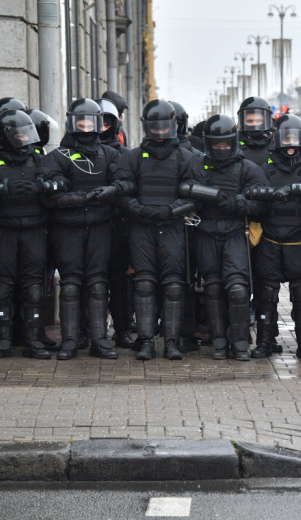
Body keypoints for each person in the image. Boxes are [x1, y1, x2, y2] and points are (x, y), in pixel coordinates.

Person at [40, 98, 132, 360]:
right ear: (71, 123)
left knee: (97, 284)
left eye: (90, 123)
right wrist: (82, 199)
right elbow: (48, 196)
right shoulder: (57, 157)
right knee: (70, 284)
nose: (85, 128)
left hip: (100, 228)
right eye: (80, 123)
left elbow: (127, 183)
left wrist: (111, 190)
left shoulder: (110, 155)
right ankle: (69, 341)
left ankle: (100, 340)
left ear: (100, 124)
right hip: (67, 229)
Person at [0, 110, 67, 359]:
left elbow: (60, 182)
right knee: (1, 287)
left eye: (27, 133)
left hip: (33, 230)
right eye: (18, 134)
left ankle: (34, 339)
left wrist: (41, 186)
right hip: (2, 230)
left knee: (34, 287)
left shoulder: (37, 157)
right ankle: (3, 340)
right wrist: (1, 189)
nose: (24, 138)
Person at [180, 114, 269, 361]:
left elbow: (262, 204)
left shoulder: (247, 168)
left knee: (238, 289)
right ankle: (219, 342)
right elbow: (184, 191)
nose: (221, 148)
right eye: (216, 144)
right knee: (213, 288)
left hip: (235, 234)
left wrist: (236, 204)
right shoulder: (197, 165)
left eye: (225, 143)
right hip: (205, 233)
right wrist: (206, 197)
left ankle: (239, 343)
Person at [115, 99, 196, 361]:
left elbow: (194, 194)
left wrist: (172, 211)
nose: (160, 132)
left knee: (173, 285)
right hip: (142, 228)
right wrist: (140, 210)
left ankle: (171, 343)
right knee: (144, 283)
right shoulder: (133, 157)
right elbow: (122, 191)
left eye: (164, 127)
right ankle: (146, 341)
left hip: (173, 227)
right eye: (155, 127)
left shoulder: (186, 157)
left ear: (172, 126)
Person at [244, 114, 301, 359]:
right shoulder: (265, 167)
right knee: (266, 295)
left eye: (295, 139)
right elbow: (252, 197)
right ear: (276, 140)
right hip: (270, 240)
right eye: (286, 139)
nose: (291, 145)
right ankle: (265, 342)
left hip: (300, 241)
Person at [95, 97, 135, 351]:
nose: (99, 129)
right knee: (91, 281)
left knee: (120, 282)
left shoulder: (124, 155)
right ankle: (90, 331)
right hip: (90, 225)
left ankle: (122, 330)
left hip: (118, 225)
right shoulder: (75, 153)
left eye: (106, 123)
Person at [237, 97, 274, 169]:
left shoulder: (275, 146)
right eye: (249, 121)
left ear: (266, 121)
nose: (254, 124)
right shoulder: (235, 146)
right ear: (243, 122)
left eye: (258, 121)